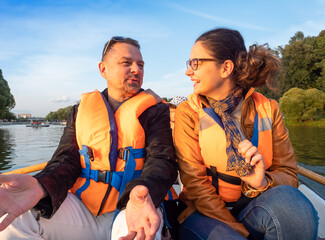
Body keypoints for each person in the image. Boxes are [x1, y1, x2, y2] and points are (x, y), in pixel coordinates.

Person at [0, 36, 178, 240]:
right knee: (16, 218)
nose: (136, 69)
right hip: (86, 210)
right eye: (126, 63)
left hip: (134, 206)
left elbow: (162, 161)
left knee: (144, 232)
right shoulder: (79, 111)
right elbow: (65, 160)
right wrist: (40, 184)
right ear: (103, 69)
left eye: (141, 65)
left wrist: (142, 192)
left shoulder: (155, 111)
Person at [174, 28, 319, 240]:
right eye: (190, 64)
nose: (188, 71)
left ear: (225, 68)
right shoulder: (187, 113)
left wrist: (262, 182)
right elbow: (195, 187)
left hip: (254, 206)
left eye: (196, 63)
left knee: (294, 207)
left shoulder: (269, 108)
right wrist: (242, 234)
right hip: (204, 214)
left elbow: (289, 174)